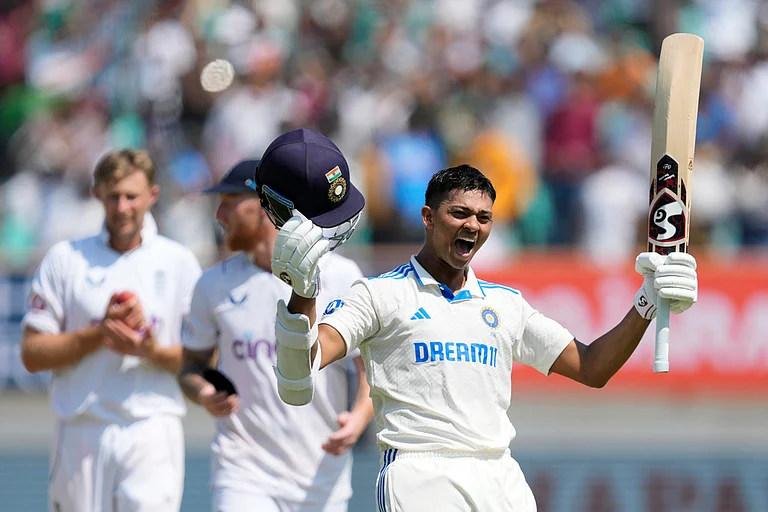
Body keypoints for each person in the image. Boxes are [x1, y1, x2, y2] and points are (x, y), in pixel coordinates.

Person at [268, 164, 698, 511]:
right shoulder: (380, 294)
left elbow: (592, 368)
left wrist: (647, 299)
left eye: (484, 217)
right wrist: (302, 293)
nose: (472, 226)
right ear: (428, 217)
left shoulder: (506, 304)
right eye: (459, 213)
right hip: (420, 473)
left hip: (499, 474)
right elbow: (300, 367)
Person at [178, 159, 374, 512]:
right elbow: (189, 366)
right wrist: (203, 392)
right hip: (242, 473)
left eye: (230, 201)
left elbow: (371, 366)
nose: (219, 215)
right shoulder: (211, 285)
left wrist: (359, 418)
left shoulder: (341, 275)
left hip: (321, 476)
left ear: (263, 205)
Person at [20, 149, 202, 512]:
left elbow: (201, 360)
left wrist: (149, 350)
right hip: (82, 427)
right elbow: (32, 353)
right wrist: (99, 334)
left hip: (152, 425)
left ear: (152, 195)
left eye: (132, 196)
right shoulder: (65, 259)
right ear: (97, 193)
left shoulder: (178, 262)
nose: (122, 208)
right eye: (113, 195)